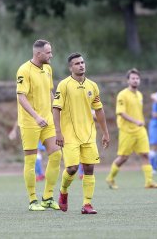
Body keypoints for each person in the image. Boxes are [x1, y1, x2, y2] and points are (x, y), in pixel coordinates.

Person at [53, 53, 110, 214]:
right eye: (77, 63)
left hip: (89, 134)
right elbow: (56, 108)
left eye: (82, 62)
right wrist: (58, 132)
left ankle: (87, 204)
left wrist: (105, 133)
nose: (81, 65)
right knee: (72, 168)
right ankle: (63, 191)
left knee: (89, 168)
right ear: (70, 67)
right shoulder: (63, 85)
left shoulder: (92, 85)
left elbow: (99, 110)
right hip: (69, 134)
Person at [16, 39, 62, 211]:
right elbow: (21, 97)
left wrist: (57, 111)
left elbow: (50, 92)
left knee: (56, 155)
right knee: (31, 160)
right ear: (38, 54)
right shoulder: (24, 70)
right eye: (48, 52)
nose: (51, 55)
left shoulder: (48, 69)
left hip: (48, 120)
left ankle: (48, 197)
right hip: (30, 122)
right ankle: (32, 200)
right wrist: (35, 117)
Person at [106, 68, 157, 189]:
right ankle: (110, 178)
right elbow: (120, 112)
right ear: (128, 80)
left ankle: (149, 181)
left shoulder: (139, 94)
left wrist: (138, 122)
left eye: (137, 78)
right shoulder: (122, 94)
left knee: (145, 154)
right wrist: (136, 121)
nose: (135, 80)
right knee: (123, 157)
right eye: (133, 78)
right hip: (127, 130)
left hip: (140, 130)